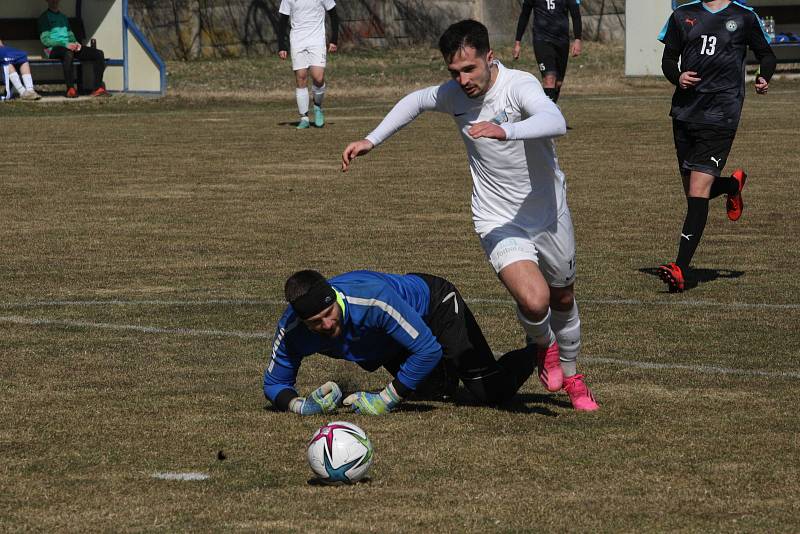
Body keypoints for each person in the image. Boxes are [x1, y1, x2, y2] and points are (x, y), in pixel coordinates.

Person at [341, 20, 598, 411]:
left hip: (548, 214)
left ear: (489, 59)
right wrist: (371, 139)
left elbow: (555, 121)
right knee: (535, 301)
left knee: (562, 296)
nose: (462, 80)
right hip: (497, 218)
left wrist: (505, 130)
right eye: (454, 73)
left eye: (469, 69)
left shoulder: (519, 85)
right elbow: (415, 101)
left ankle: (572, 372)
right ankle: (543, 347)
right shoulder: (453, 95)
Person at [263, 269, 538, 415]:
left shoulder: (371, 299)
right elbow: (275, 383)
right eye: (316, 323)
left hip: (433, 307)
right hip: (391, 340)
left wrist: (385, 399)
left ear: (335, 299)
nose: (326, 325)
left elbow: (428, 350)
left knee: (489, 391)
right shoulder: (292, 330)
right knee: (434, 390)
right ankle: (449, 371)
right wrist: (301, 406)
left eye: (329, 314)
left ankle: (540, 344)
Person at [656, 0, 775, 292]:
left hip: (722, 114)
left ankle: (680, 268)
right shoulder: (682, 14)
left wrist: (764, 76)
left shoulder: (745, 16)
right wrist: (678, 75)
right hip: (685, 113)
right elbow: (669, 59)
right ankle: (732, 187)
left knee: (698, 191)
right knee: (693, 191)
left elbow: (766, 55)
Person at [277, 0, 339, 129]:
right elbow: (282, 21)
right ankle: (304, 118)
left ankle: (317, 107)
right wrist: (281, 46)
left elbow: (333, 15)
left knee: (318, 78)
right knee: (301, 77)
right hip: (298, 41)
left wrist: (334, 39)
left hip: (317, 41)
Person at [512, 0, 582, 104]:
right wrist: (518, 42)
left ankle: (551, 109)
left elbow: (576, 14)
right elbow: (524, 15)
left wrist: (577, 39)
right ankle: (548, 115)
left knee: (558, 83)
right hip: (542, 40)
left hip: (562, 42)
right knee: (549, 79)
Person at [38, 0, 109, 98]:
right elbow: (45, 40)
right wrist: (65, 44)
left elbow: (70, 35)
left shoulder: (63, 17)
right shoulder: (44, 18)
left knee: (98, 54)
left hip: (68, 47)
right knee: (68, 54)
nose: (54, 1)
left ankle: (97, 88)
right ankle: (70, 89)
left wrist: (76, 44)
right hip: (53, 49)